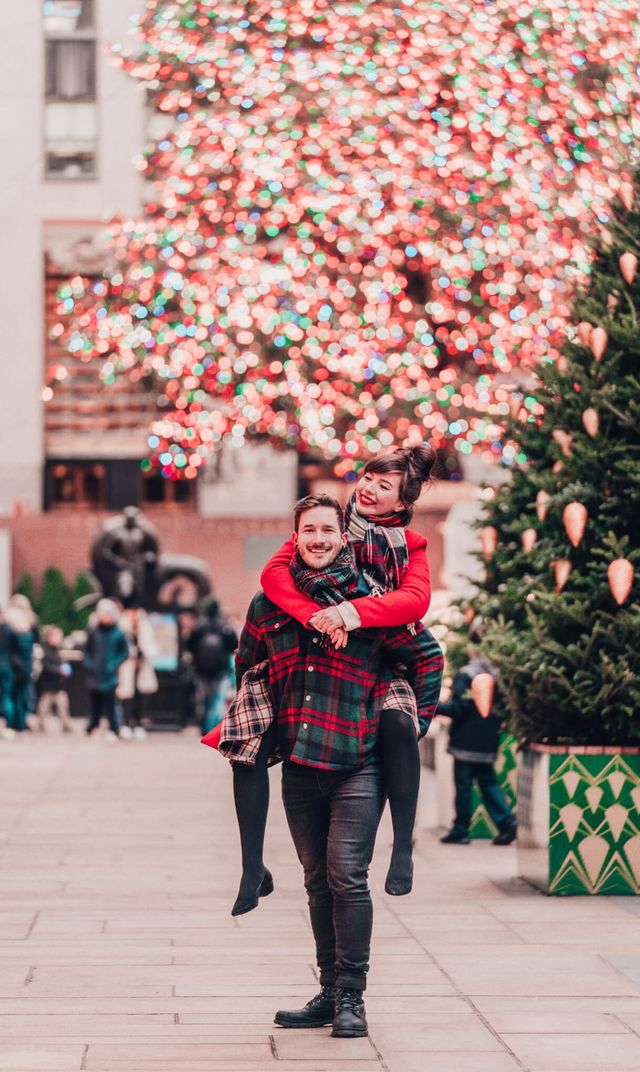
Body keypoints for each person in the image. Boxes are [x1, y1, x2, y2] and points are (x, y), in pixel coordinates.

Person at [233, 494, 443, 1038]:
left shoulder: (371, 599)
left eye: (329, 529)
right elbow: (247, 663)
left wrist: (407, 722)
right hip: (301, 765)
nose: (320, 539)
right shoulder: (267, 605)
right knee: (316, 882)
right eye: (309, 531)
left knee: (347, 876)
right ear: (295, 538)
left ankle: (353, 997)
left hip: (359, 760)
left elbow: (428, 656)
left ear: (343, 536)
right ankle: (328, 992)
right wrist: (259, 714)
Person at [223, 444, 437, 907]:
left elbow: (416, 604)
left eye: (384, 485)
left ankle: (403, 847)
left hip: (375, 655)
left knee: (399, 724)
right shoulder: (331, 521)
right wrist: (312, 617)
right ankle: (251, 868)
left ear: (402, 502)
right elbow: (274, 576)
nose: (369, 489)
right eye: (367, 477)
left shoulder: (410, 548)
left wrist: (348, 614)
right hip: (310, 645)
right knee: (246, 735)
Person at [437, 627, 517, 846]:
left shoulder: (467, 674)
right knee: (488, 782)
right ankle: (506, 822)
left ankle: (461, 830)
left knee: (463, 786)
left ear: (474, 646)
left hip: (465, 741)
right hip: (489, 739)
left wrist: (434, 707)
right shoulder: (499, 674)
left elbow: (459, 708)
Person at [186, 598, 238, 734]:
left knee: (203, 699)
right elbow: (235, 645)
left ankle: (203, 726)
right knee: (217, 700)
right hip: (220, 669)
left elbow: (189, 645)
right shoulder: (224, 626)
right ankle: (212, 728)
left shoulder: (199, 627)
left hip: (201, 669)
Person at [84, 599, 129, 740]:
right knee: (95, 704)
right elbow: (87, 650)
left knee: (111, 704)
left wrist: (114, 664)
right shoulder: (94, 632)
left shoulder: (119, 633)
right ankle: (93, 726)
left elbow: (124, 652)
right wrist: (89, 663)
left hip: (110, 675)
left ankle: (114, 728)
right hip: (95, 674)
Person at [118, 607, 158, 740]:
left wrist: (143, 654)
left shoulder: (145, 627)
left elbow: (151, 645)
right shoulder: (122, 627)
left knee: (140, 696)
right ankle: (126, 724)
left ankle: (138, 724)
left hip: (142, 667)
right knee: (126, 696)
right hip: (127, 666)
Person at [4, 594, 39, 732]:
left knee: (11, 695)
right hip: (25, 664)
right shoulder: (29, 626)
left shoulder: (8, 627)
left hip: (12, 665)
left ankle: (13, 722)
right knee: (22, 694)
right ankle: (21, 721)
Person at [35, 625, 73, 734]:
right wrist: (59, 670)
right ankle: (40, 723)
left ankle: (66, 725)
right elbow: (46, 667)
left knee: (63, 706)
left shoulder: (57, 651)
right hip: (48, 685)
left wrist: (65, 668)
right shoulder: (45, 651)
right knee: (44, 706)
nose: (59, 639)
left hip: (59, 685)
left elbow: (61, 664)